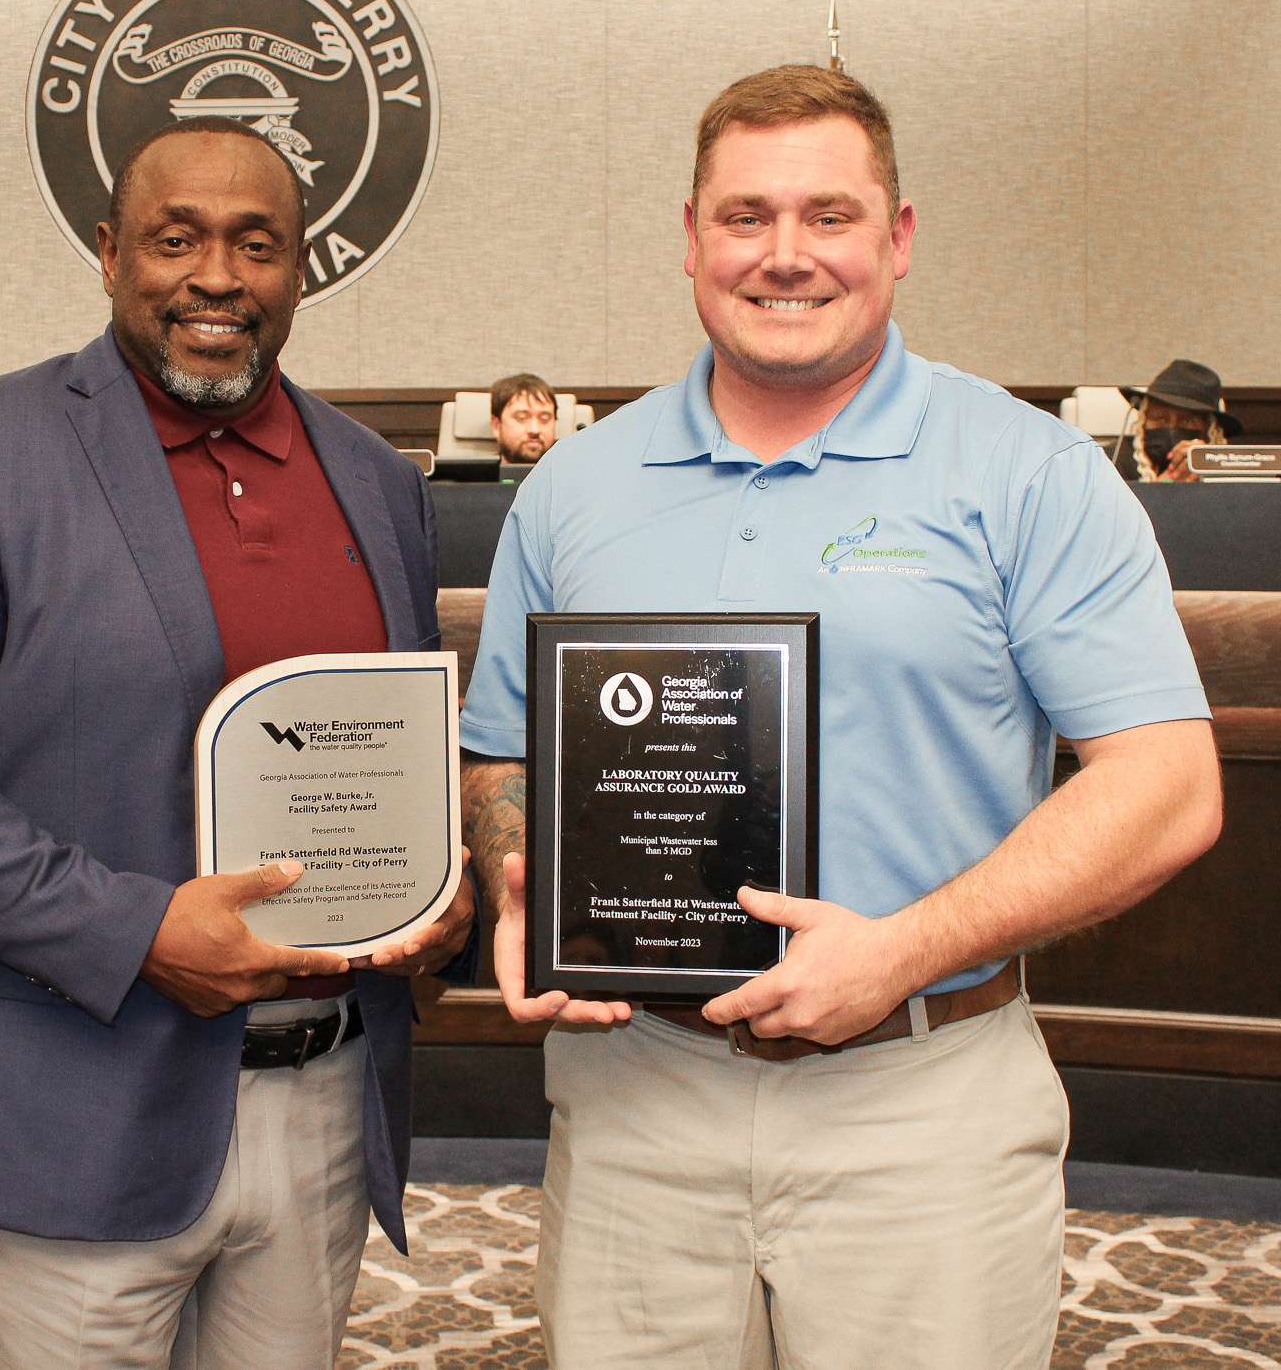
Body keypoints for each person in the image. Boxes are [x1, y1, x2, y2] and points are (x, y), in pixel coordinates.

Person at [458, 66, 1220, 1368]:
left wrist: (907, 948)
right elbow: (504, 747)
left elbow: (1167, 784)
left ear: (898, 238)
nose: (786, 255)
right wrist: (519, 873)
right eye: (746, 216)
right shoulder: (576, 486)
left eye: (829, 215)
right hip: (638, 1099)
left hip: (920, 1101)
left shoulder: (1028, 472)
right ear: (691, 237)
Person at [0, 116, 474, 1370]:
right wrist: (135, 931)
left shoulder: (374, 480)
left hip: (323, 1100)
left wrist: (429, 892)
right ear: (110, 254)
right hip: (57, 1105)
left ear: (300, 270)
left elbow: (385, 754)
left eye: (256, 243)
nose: (216, 275)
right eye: (176, 239)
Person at [1117, 359, 1239, 482]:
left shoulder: (1233, 468)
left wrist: (1204, 466)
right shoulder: (1113, 462)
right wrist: (1167, 483)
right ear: (1144, 421)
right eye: (1161, 418)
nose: (1172, 427)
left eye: (1186, 420)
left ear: (1209, 428)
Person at [489, 372, 559, 464]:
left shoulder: (575, 475)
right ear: (497, 425)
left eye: (544, 419)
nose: (534, 430)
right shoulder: (473, 477)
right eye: (522, 418)